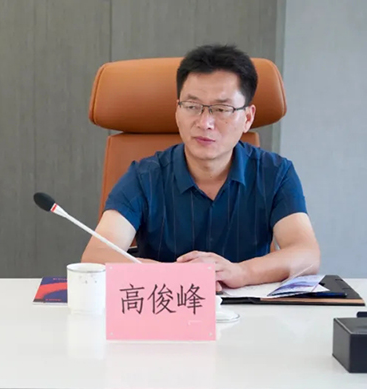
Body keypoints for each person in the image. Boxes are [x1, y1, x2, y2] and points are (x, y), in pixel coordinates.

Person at [82, 44, 320, 289]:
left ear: (247, 118)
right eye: (192, 107)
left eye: (222, 109)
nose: (205, 123)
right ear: (177, 111)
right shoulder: (144, 177)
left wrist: (242, 272)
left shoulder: (275, 173)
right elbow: (97, 256)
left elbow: (307, 254)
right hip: (167, 306)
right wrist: (179, 276)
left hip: (248, 308)